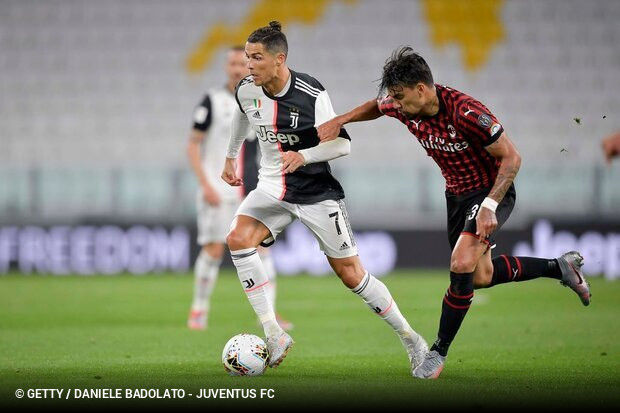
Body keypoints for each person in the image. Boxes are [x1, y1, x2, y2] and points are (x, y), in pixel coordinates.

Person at [317, 47, 591, 379]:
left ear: (421, 89)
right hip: (457, 197)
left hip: (491, 192)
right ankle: (559, 267)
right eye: (394, 98)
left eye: (400, 97)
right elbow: (377, 106)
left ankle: (437, 351)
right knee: (479, 277)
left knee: (461, 263)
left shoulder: (467, 113)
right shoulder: (404, 107)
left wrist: (489, 206)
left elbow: (512, 158)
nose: (396, 104)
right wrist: (340, 120)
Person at [221, 22, 428, 371]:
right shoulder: (246, 89)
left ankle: (412, 339)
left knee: (352, 276)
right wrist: (230, 155)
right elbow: (243, 117)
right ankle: (273, 332)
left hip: (316, 192)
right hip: (272, 186)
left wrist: (304, 155)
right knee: (238, 238)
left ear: (279, 59)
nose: (248, 64)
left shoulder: (311, 93)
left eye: (256, 57)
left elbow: (343, 143)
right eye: (246, 57)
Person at [186, 45, 291, 331]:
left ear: (249, 67)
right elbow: (193, 144)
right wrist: (205, 183)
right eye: (231, 63)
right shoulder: (212, 100)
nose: (236, 69)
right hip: (217, 191)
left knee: (263, 250)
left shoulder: (260, 98)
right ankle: (199, 310)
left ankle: (267, 315)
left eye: (241, 64)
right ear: (226, 66)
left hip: (252, 191)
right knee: (213, 250)